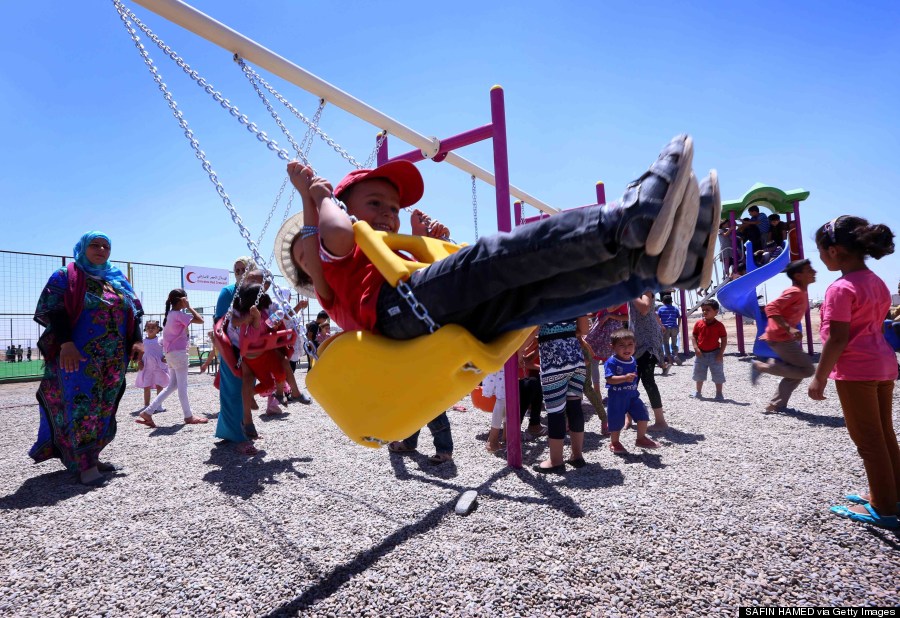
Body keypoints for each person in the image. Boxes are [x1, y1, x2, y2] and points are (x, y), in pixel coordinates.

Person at [283, 133, 719, 353]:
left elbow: (400, 267)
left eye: (392, 207)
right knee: (497, 256)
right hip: (405, 310)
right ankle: (627, 220)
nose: (387, 213)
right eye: (374, 202)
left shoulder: (370, 257)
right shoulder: (335, 261)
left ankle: (652, 267)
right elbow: (334, 233)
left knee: (543, 292)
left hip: (432, 317)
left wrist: (422, 243)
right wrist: (318, 194)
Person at [29, 232, 144, 487]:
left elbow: (134, 311)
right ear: (82, 248)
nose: (101, 249)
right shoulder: (65, 275)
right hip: (78, 356)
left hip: (115, 357)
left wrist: (137, 341)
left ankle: (93, 455)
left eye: (106, 246)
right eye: (95, 244)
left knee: (105, 405)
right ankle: (84, 464)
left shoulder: (117, 279)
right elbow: (55, 311)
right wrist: (66, 344)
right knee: (83, 406)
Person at [808, 216, 899, 530]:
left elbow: (837, 338)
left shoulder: (840, 288)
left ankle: (884, 508)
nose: (819, 258)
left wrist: (820, 376)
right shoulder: (876, 282)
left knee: (869, 440)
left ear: (834, 251)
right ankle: (891, 494)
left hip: (857, 369)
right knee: (885, 434)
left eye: (820, 251)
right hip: (884, 364)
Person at [750, 259, 817, 413]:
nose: (814, 272)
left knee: (796, 372)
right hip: (780, 338)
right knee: (807, 370)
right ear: (798, 276)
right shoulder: (795, 292)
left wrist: (792, 331)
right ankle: (761, 367)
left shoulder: (801, 292)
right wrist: (789, 328)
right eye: (809, 270)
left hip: (782, 338)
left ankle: (775, 405)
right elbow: (771, 307)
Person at [136, 289, 208, 428]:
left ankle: (148, 411)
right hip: (179, 354)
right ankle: (189, 416)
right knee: (182, 387)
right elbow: (201, 320)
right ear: (182, 300)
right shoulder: (179, 314)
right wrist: (189, 307)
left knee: (172, 385)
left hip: (171, 354)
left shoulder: (170, 314)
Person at [530, 317, 590, 473]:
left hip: (553, 363)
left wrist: (519, 352)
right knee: (575, 407)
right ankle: (577, 456)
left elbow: (531, 330)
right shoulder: (574, 299)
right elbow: (584, 330)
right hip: (576, 359)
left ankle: (556, 461)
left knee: (555, 411)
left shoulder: (542, 302)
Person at [211, 257, 259, 455]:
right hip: (233, 348)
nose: (240, 273)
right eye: (237, 270)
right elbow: (220, 322)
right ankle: (238, 435)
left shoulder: (257, 292)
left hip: (252, 347)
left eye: (244, 269)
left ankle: (236, 428)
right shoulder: (228, 292)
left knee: (245, 387)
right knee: (232, 390)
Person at [605, 328, 660, 454]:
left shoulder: (633, 360)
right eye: (621, 345)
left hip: (632, 396)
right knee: (616, 420)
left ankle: (641, 438)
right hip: (617, 398)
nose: (626, 348)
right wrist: (624, 378)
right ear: (613, 347)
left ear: (635, 345)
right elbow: (610, 379)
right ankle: (615, 442)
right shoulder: (612, 362)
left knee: (643, 414)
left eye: (630, 344)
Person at [629, 292, 670, 430]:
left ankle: (660, 421)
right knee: (631, 381)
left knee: (647, 380)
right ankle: (628, 419)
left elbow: (645, 308)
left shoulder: (645, 289)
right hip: (636, 340)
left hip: (648, 342)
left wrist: (629, 292)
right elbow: (612, 308)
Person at [691, 299, 727, 400]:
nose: (704, 312)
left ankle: (719, 394)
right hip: (700, 354)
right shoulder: (698, 323)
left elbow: (724, 339)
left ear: (716, 312)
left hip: (715, 354)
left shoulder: (719, 325)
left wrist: (721, 353)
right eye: (703, 310)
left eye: (708, 309)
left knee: (718, 374)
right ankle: (698, 392)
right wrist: (695, 348)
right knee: (699, 374)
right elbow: (694, 336)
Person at [134, 319, 169, 407]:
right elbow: (140, 353)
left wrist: (166, 357)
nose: (150, 329)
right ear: (145, 329)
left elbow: (168, 348)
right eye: (148, 327)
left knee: (159, 386)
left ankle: (158, 405)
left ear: (158, 329)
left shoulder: (161, 340)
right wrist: (139, 361)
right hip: (146, 366)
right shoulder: (142, 341)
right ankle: (146, 405)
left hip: (159, 366)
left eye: (153, 327)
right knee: (146, 386)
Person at [657, 293, 682, 366]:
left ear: (663, 302)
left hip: (665, 328)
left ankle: (670, 360)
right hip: (674, 327)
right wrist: (678, 325)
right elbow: (679, 317)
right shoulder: (675, 308)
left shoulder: (661, 309)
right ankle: (676, 355)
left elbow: (658, 318)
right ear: (672, 301)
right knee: (674, 343)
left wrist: (661, 326)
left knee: (666, 343)